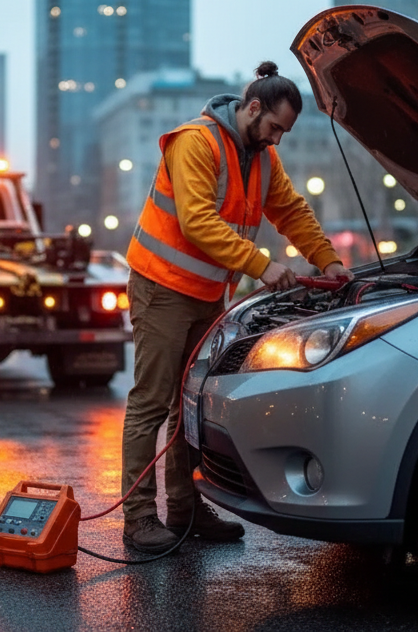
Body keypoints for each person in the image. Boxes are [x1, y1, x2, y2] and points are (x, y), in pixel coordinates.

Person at [121, 61, 353, 553]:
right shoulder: (195, 142)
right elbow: (197, 220)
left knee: (188, 408)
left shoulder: (263, 159)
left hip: (207, 295)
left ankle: (185, 509)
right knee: (151, 403)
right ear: (252, 107)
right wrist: (260, 264)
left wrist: (328, 262)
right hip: (161, 289)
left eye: (285, 132)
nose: (277, 140)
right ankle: (139, 517)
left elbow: (290, 210)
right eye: (274, 128)